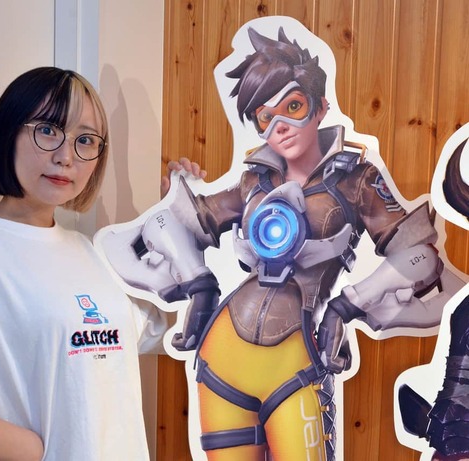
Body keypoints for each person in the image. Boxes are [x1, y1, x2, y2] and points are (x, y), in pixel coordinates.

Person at [100, 26, 458, 461]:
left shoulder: (356, 180)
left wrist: (349, 305)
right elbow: (158, 223)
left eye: (293, 106)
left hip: (297, 358)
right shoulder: (254, 180)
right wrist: (198, 283)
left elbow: (420, 257)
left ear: (320, 106)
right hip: (223, 354)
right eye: (266, 117)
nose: (281, 127)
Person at [0, 66, 202, 461]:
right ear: (7, 133)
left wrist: (183, 231)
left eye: (85, 140)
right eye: (48, 130)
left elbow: (164, 331)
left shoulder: (90, 251)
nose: (66, 157)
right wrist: (35, 449)